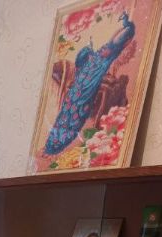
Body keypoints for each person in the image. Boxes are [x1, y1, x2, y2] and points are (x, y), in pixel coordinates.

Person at [45, 11, 136, 156]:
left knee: (76, 103)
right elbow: (115, 43)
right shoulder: (120, 39)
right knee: (76, 104)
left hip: (95, 66)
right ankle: (54, 144)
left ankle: (55, 144)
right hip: (95, 66)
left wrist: (92, 51)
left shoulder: (120, 38)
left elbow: (113, 44)